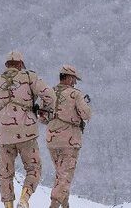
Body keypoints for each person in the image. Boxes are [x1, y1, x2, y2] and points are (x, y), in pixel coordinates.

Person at [0, 51, 56, 208]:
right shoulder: (30, 77)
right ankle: (24, 199)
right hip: (27, 132)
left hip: (4, 134)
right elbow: (49, 95)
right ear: (21, 64)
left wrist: (3, 114)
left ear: (6, 65)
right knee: (34, 168)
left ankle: (8, 205)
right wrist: (42, 113)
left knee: (5, 173)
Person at [45, 65, 91, 208]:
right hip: (69, 141)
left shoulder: (49, 93)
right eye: (74, 79)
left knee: (61, 175)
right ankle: (54, 205)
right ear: (69, 77)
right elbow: (86, 115)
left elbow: (42, 117)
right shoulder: (76, 94)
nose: (75, 83)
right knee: (65, 177)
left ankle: (65, 206)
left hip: (52, 141)